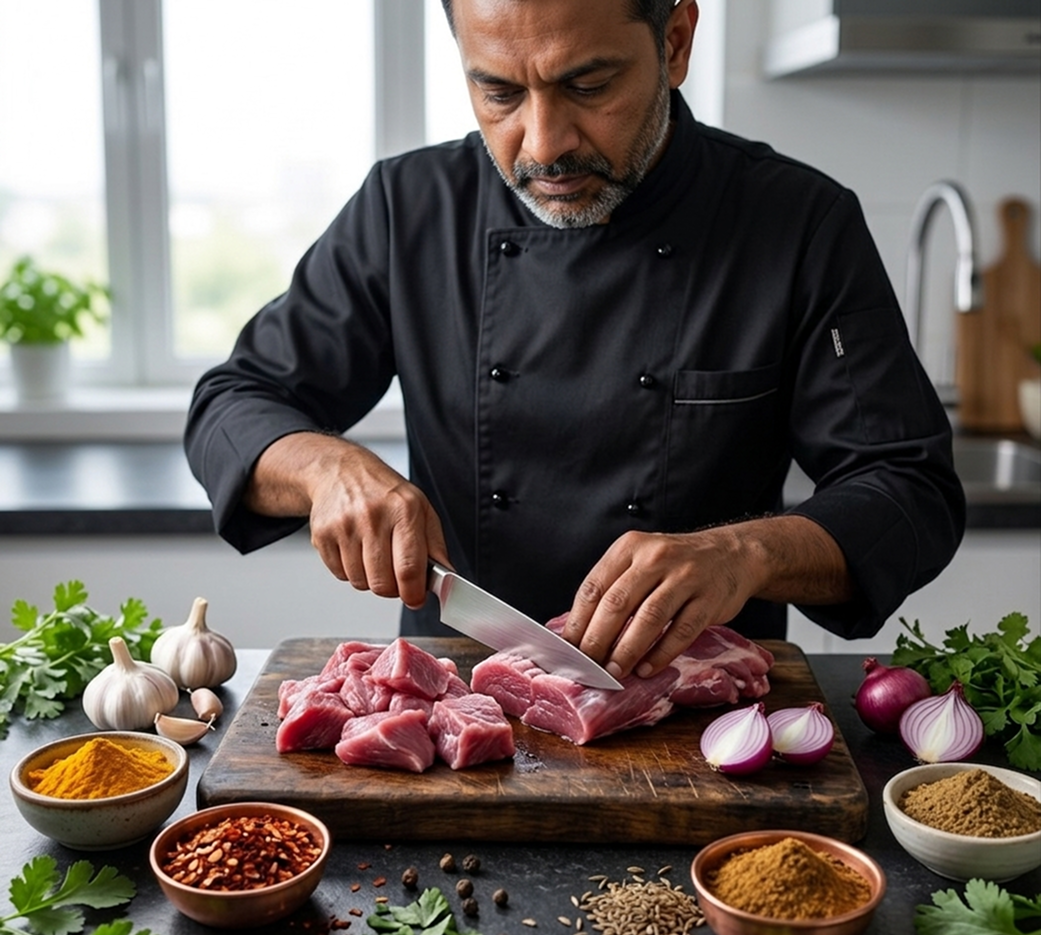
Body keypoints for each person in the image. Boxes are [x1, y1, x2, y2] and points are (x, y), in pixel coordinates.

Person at [184, 0, 965, 683]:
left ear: (675, 42)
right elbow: (235, 402)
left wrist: (744, 554)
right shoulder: (408, 209)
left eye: (587, 86)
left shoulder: (795, 223)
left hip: (702, 717)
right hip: (452, 710)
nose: (544, 144)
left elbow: (907, 488)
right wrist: (325, 466)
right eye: (498, 91)